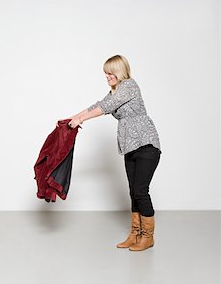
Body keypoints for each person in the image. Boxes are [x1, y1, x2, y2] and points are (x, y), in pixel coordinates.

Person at [62, 55, 161, 251]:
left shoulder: (130, 86)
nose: (107, 76)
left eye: (110, 73)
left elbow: (106, 108)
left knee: (141, 191)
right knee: (134, 192)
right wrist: (74, 117)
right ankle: (135, 234)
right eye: (105, 73)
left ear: (119, 71)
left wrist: (82, 120)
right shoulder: (115, 91)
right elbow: (97, 104)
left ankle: (148, 237)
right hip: (129, 146)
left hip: (146, 145)